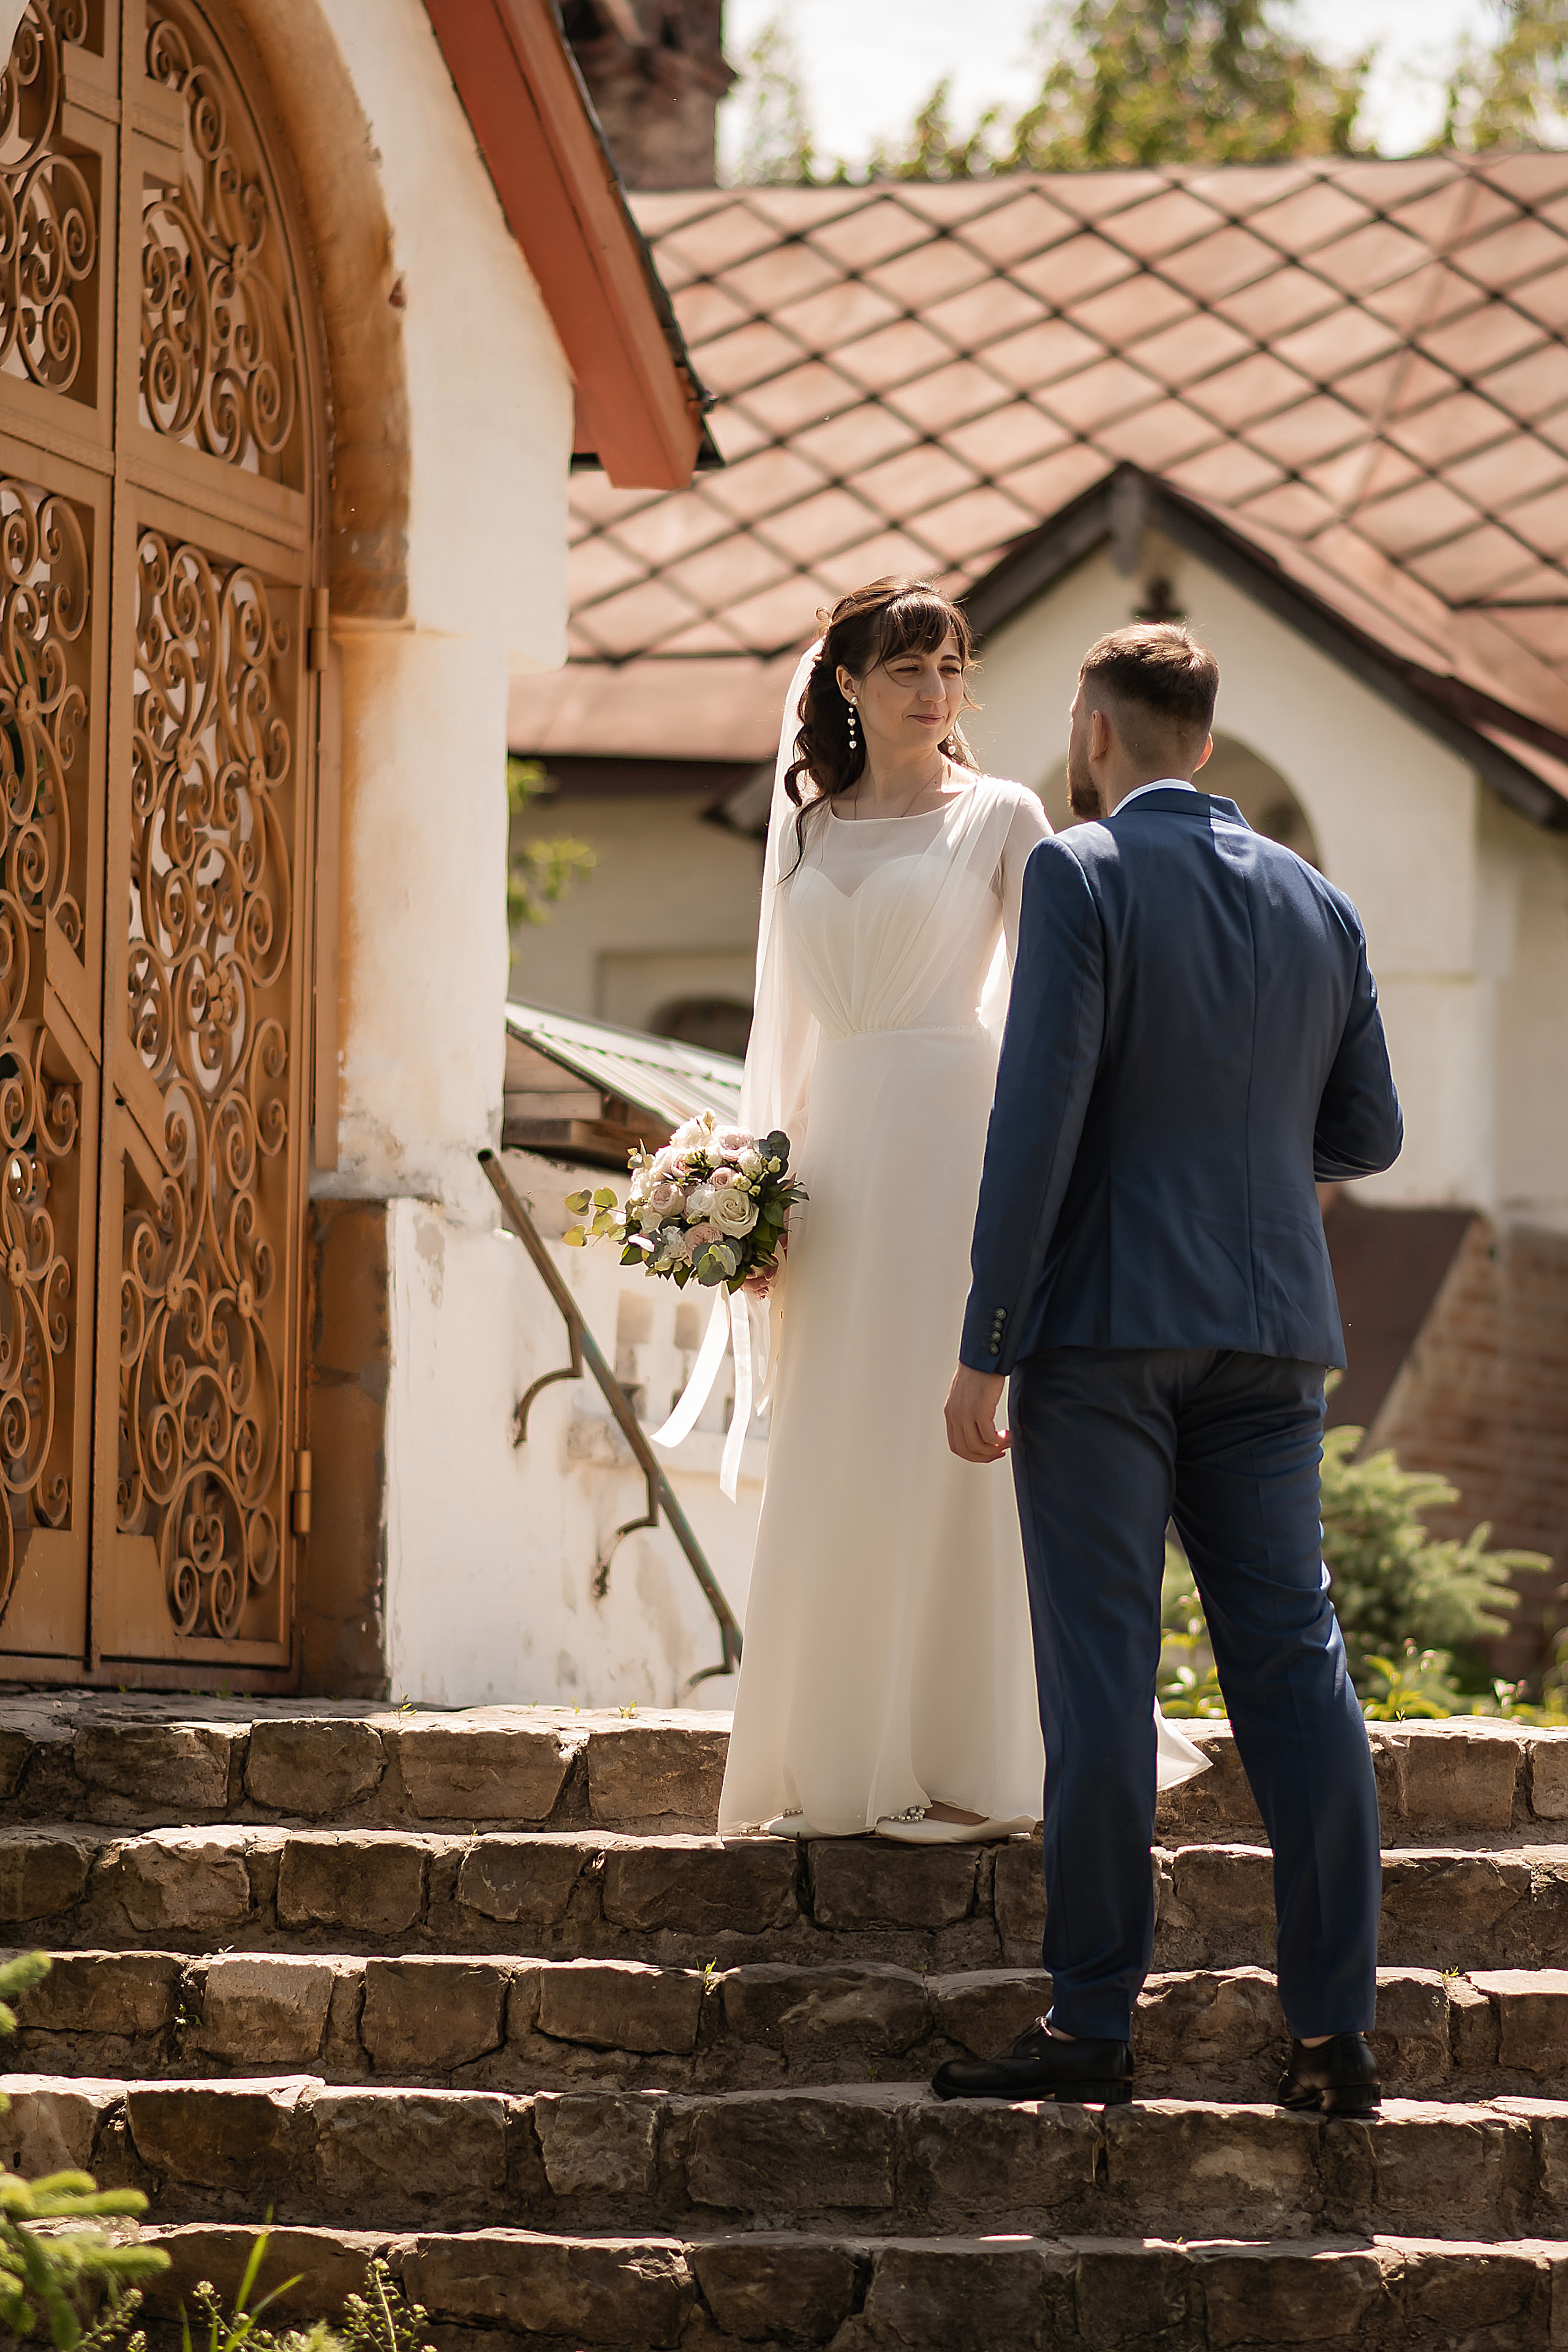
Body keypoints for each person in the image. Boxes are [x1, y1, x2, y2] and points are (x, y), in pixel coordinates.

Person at [938, 623, 1402, 2117]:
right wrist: (1252, 1156)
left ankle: (1090, 2026)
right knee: (1295, 1669)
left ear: (1092, 735)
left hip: (1101, 1332)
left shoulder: (1077, 871)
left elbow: (1038, 1118)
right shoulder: (1319, 901)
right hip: (1275, 1330)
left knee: (1097, 1678)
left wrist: (983, 1345)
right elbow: (1368, 1133)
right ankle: (1333, 2037)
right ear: (1201, 743)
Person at [713, 580, 1207, 1845]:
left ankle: (976, 1743)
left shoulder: (1001, 815)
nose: (932, 694)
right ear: (846, 686)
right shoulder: (809, 828)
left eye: (947, 670)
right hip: (833, 1170)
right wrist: (751, 1200)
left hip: (956, 1147)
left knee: (954, 1435)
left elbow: (1068, 1000)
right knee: (844, 1438)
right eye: (903, 671)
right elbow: (790, 1037)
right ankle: (840, 1750)